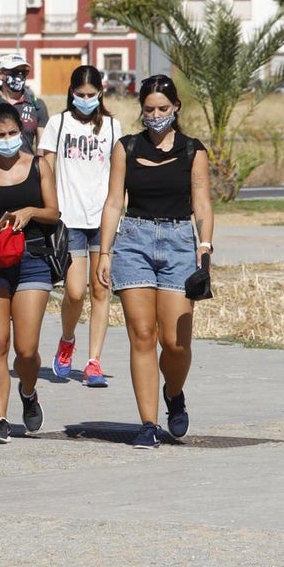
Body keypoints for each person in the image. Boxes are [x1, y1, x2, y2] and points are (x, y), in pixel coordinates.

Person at [97, 75, 213, 450]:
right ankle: (148, 423)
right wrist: (105, 251)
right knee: (143, 335)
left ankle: (174, 393)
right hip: (134, 241)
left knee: (175, 343)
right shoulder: (126, 148)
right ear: (141, 110)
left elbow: (202, 203)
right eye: (149, 109)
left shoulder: (193, 150)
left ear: (176, 107)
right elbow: (114, 202)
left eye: (163, 108)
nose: (157, 115)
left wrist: (205, 246)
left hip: (180, 242)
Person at [0, 102, 60, 444]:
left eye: (12, 133)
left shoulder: (38, 165)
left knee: (27, 349)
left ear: (22, 132)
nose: (7, 140)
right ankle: (0, 420)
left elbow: (53, 212)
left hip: (33, 257)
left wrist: (30, 211)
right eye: (0, 135)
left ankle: (29, 391)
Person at [37, 65, 123, 387]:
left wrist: (120, 213)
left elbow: (119, 173)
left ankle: (93, 362)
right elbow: (45, 169)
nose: (86, 100)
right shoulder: (58, 124)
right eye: (80, 94)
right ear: (71, 93)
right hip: (69, 219)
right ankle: (67, 339)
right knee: (74, 292)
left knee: (101, 289)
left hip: (102, 219)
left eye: (91, 94)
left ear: (101, 93)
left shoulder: (113, 127)